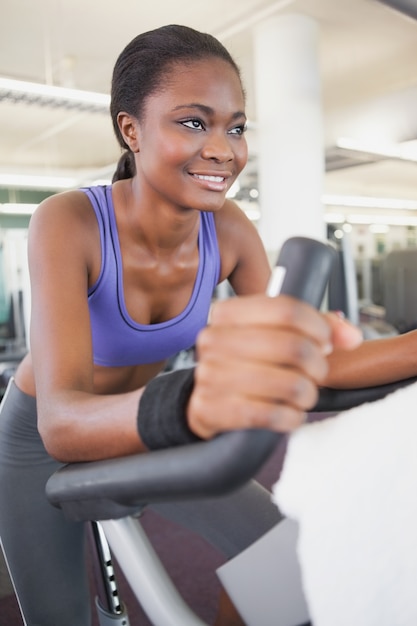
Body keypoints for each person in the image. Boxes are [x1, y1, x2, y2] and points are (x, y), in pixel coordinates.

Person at [0, 24, 362, 626]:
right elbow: (62, 423)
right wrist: (196, 401)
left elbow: (315, 362)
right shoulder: (67, 221)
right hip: (37, 439)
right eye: (194, 122)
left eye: (235, 126)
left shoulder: (228, 231)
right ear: (130, 129)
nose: (224, 148)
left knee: (282, 558)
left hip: (142, 422)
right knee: (59, 616)